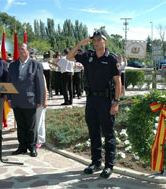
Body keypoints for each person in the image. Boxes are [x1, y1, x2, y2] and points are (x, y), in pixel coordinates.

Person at [67, 31, 121, 179]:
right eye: (94, 40)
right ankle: (96, 162)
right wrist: (79, 44)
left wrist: (116, 102)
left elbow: (118, 82)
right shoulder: (88, 56)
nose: (96, 42)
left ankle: (109, 165)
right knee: (93, 132)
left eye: (99, 40)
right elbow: (69, 57)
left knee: (108, 134)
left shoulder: (111, 59)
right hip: (91, 100)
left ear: (105, 41)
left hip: (106, 101)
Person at [8, 43, 45, 157]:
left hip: (30, 100)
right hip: (16, 100)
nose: (20, 51)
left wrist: (40, 101)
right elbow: (9, 82)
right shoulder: (13, 65)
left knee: (31, 126)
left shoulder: (36, 64)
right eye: (19, 49)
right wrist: (9, 98)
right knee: (21, 125)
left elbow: (40, 84)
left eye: (23, 49)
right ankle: (22, 146)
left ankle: (32, 147)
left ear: (29, 51)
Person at [36, 75, 48, 148]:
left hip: (40, 100)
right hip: (30, 101)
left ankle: (40, 140)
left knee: (40, 120)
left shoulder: (41, 74)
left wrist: (45, 100)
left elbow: (44, 88)